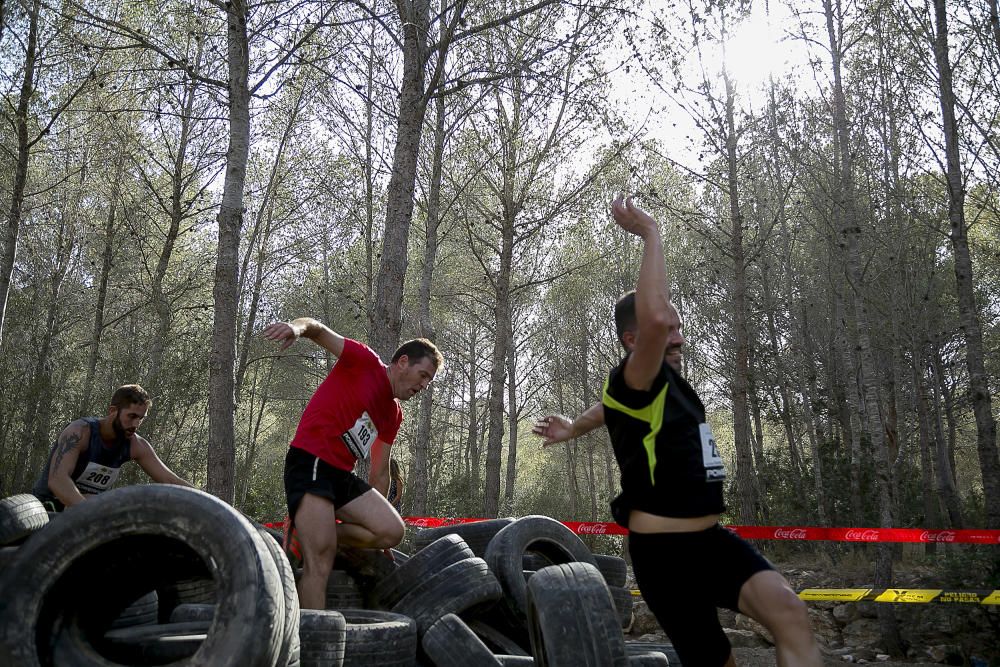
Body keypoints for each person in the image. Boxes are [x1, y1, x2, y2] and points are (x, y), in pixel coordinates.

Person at [533, 196, 821, 667]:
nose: (679, 335)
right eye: (670, 331)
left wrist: (574, 428)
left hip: (710, 542)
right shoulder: (634, 375)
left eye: (679, 328)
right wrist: (650, 234)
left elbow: (610, 410)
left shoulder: (659, 390)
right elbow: (656, 322)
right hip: (664, 557)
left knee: (790, 612)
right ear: (635, 341)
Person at [262, 317, 442, 609]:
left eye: (428, 381)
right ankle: (314, 639)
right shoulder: (364, 361)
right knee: (320, 560)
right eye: (422, 375)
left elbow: (380, 473)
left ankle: (307, 533)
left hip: (340, 476)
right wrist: (296, 329)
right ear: (403, 362)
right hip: (312, 460)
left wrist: (373, 533)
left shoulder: (393, 414)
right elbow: (316, 328)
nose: (423, 386)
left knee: (391, 531)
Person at [32, 384, 194, 511]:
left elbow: (170, 480)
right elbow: (58, 480)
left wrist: (213, 504)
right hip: (48, 509)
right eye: (131, 416)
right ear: (112, 411)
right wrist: (91, 513)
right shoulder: (80, 432)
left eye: (141, 418)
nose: (136, 424)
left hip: (88, 510)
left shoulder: (136, 445)